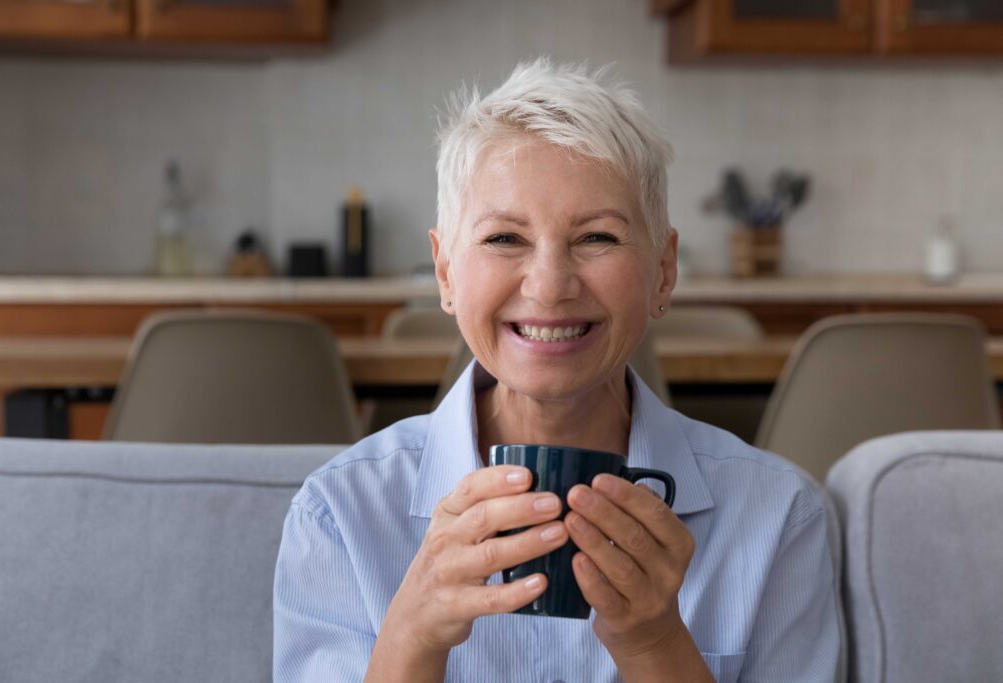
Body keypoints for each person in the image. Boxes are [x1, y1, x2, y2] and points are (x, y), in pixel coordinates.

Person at [273, 59, 840, 683]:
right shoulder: (340, 514)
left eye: (597, 237)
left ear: (664, 271)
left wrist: (655, 645)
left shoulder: (779, 515)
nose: (549, 287)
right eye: (503, 239)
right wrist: (411, 633)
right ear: (444, 273)